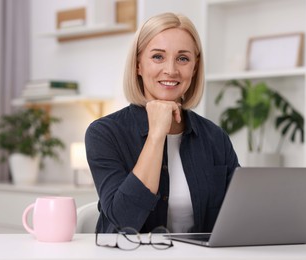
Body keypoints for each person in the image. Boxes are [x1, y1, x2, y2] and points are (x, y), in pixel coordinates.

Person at [85, 12, 240, 234]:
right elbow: (123, 222)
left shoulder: (215, 138)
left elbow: (240, 217)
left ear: (194, 68)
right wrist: (156, 133)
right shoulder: (104, 133)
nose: (171, 70)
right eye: (158, 57)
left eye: (183, 58)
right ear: (138, 65)